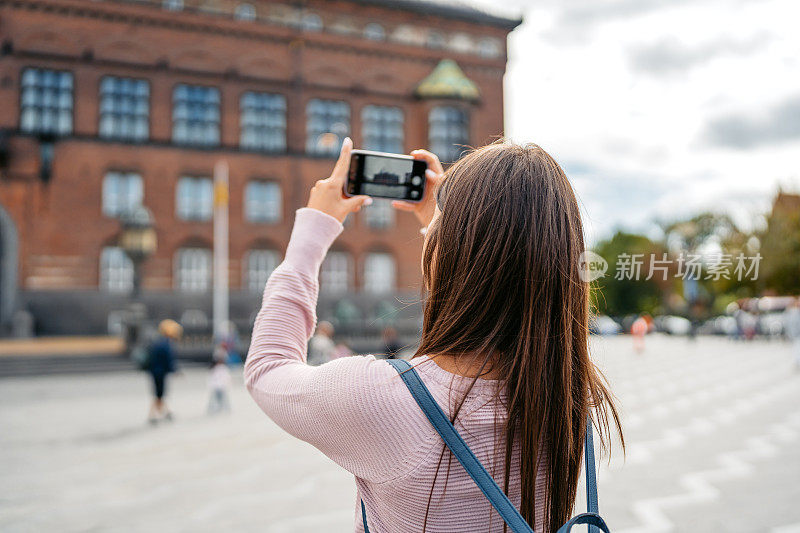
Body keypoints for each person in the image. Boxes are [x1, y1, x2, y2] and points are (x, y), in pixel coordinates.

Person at [245, 139, 623, 532]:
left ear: (445, 251)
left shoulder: (383, 400)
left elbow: (268, 365)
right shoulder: (570, 391)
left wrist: (314, 227)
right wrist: (443, 219)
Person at [147, 319, 182, 424]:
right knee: (159, 394)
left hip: (155, 371)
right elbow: (168, 360)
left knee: (160, 394)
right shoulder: (165, 344)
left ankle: (165, 412)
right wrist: (174, 370)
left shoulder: (158, 341)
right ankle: (153, 415)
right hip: (159, 372)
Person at [208, 346, 232, 414]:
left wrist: (227, 385)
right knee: (214, 399)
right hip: (216, 386)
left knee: (223, 399)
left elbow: (226, 378)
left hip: (222, 386)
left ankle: (225, 409)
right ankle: (213, 410)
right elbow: (212, 378)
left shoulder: (223, 368)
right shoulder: (215, 368)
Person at [784, 298, 800, 370]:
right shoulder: (793, 312)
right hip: (796, 335)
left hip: (796, 334)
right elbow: (790, 324)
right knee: (797, 349)